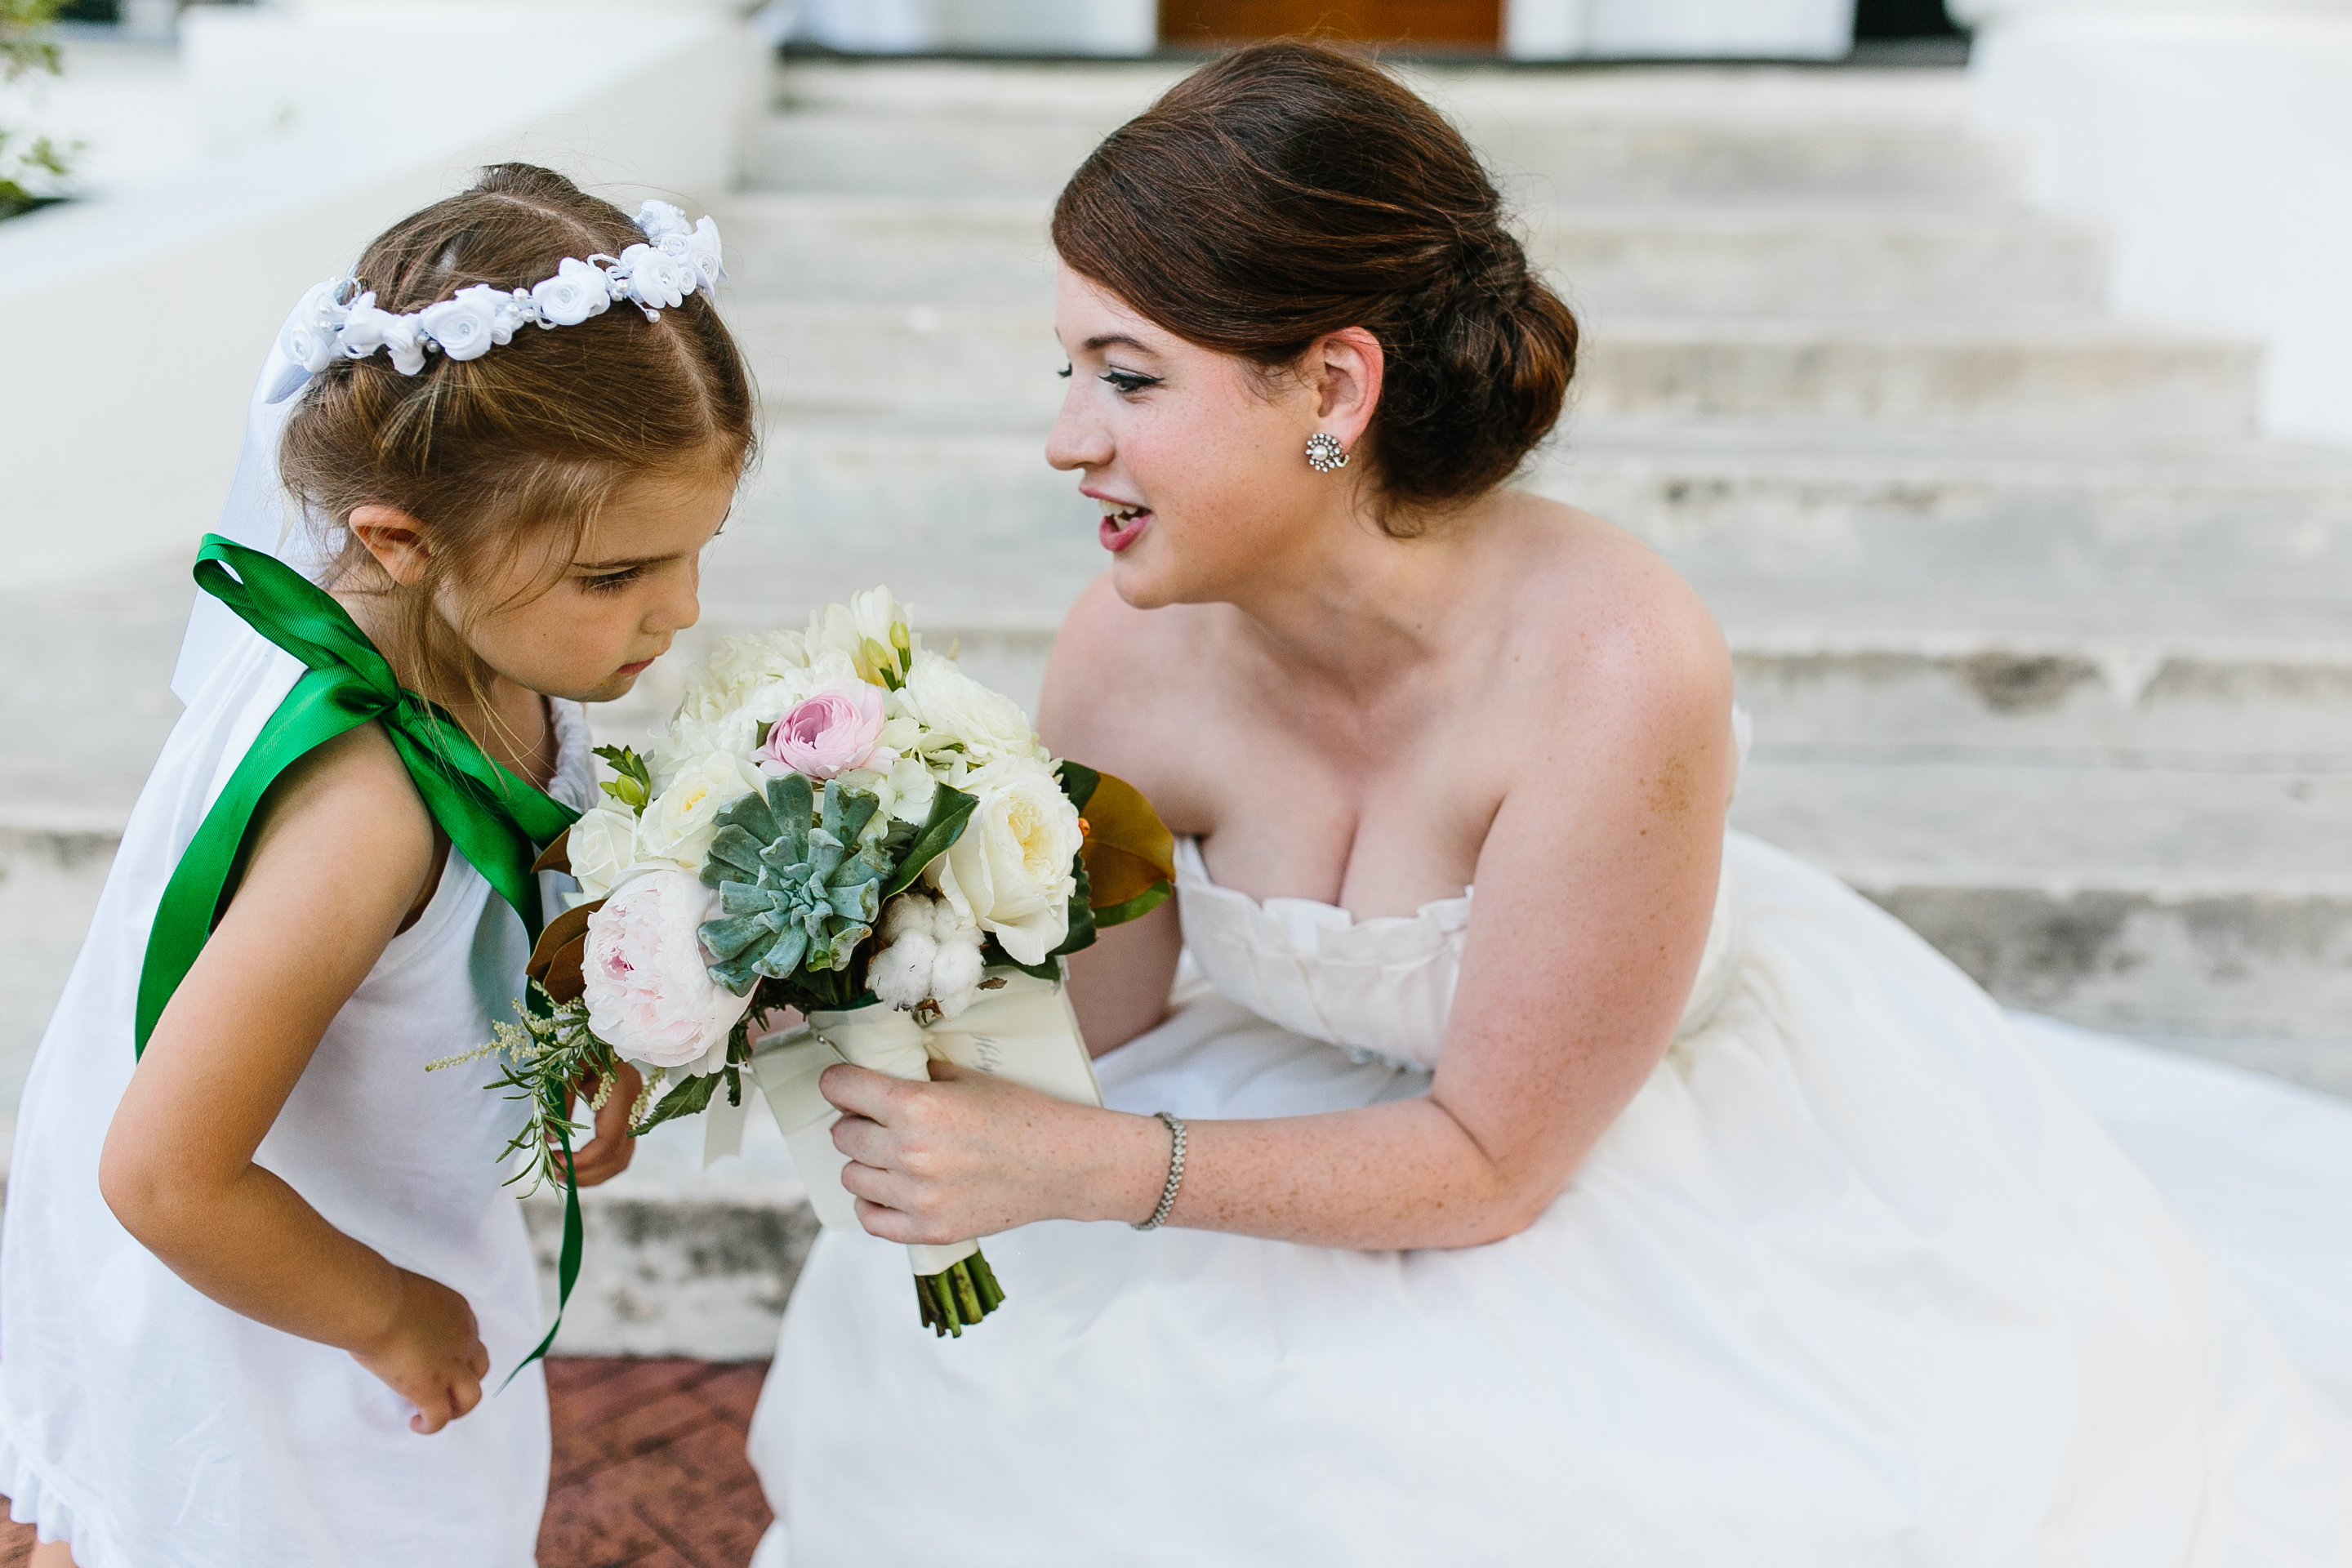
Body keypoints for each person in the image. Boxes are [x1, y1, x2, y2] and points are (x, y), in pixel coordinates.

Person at [746, 44, 2352, 1564]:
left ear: (1332, 386)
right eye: (1067, 371)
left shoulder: (1614, 666)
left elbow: (1495, 1167)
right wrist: (811, 957)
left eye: (1127, 377)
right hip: (1283, 1108)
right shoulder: (1125, 654)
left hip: (1592, 1153)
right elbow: (1100, 1041)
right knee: (1029, 1380)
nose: (1064, 438)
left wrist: (1093, 1170)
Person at [0, 164, 755, 1567]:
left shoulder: (488, 650)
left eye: (697, 552)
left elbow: (490, 905)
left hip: (376, 1217)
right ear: (399, 543)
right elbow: (165, 1176)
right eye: (617, 577)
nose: (680, 611)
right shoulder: (362, 810)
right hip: (275, 1295)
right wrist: (385, 1314)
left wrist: (588, 1030)